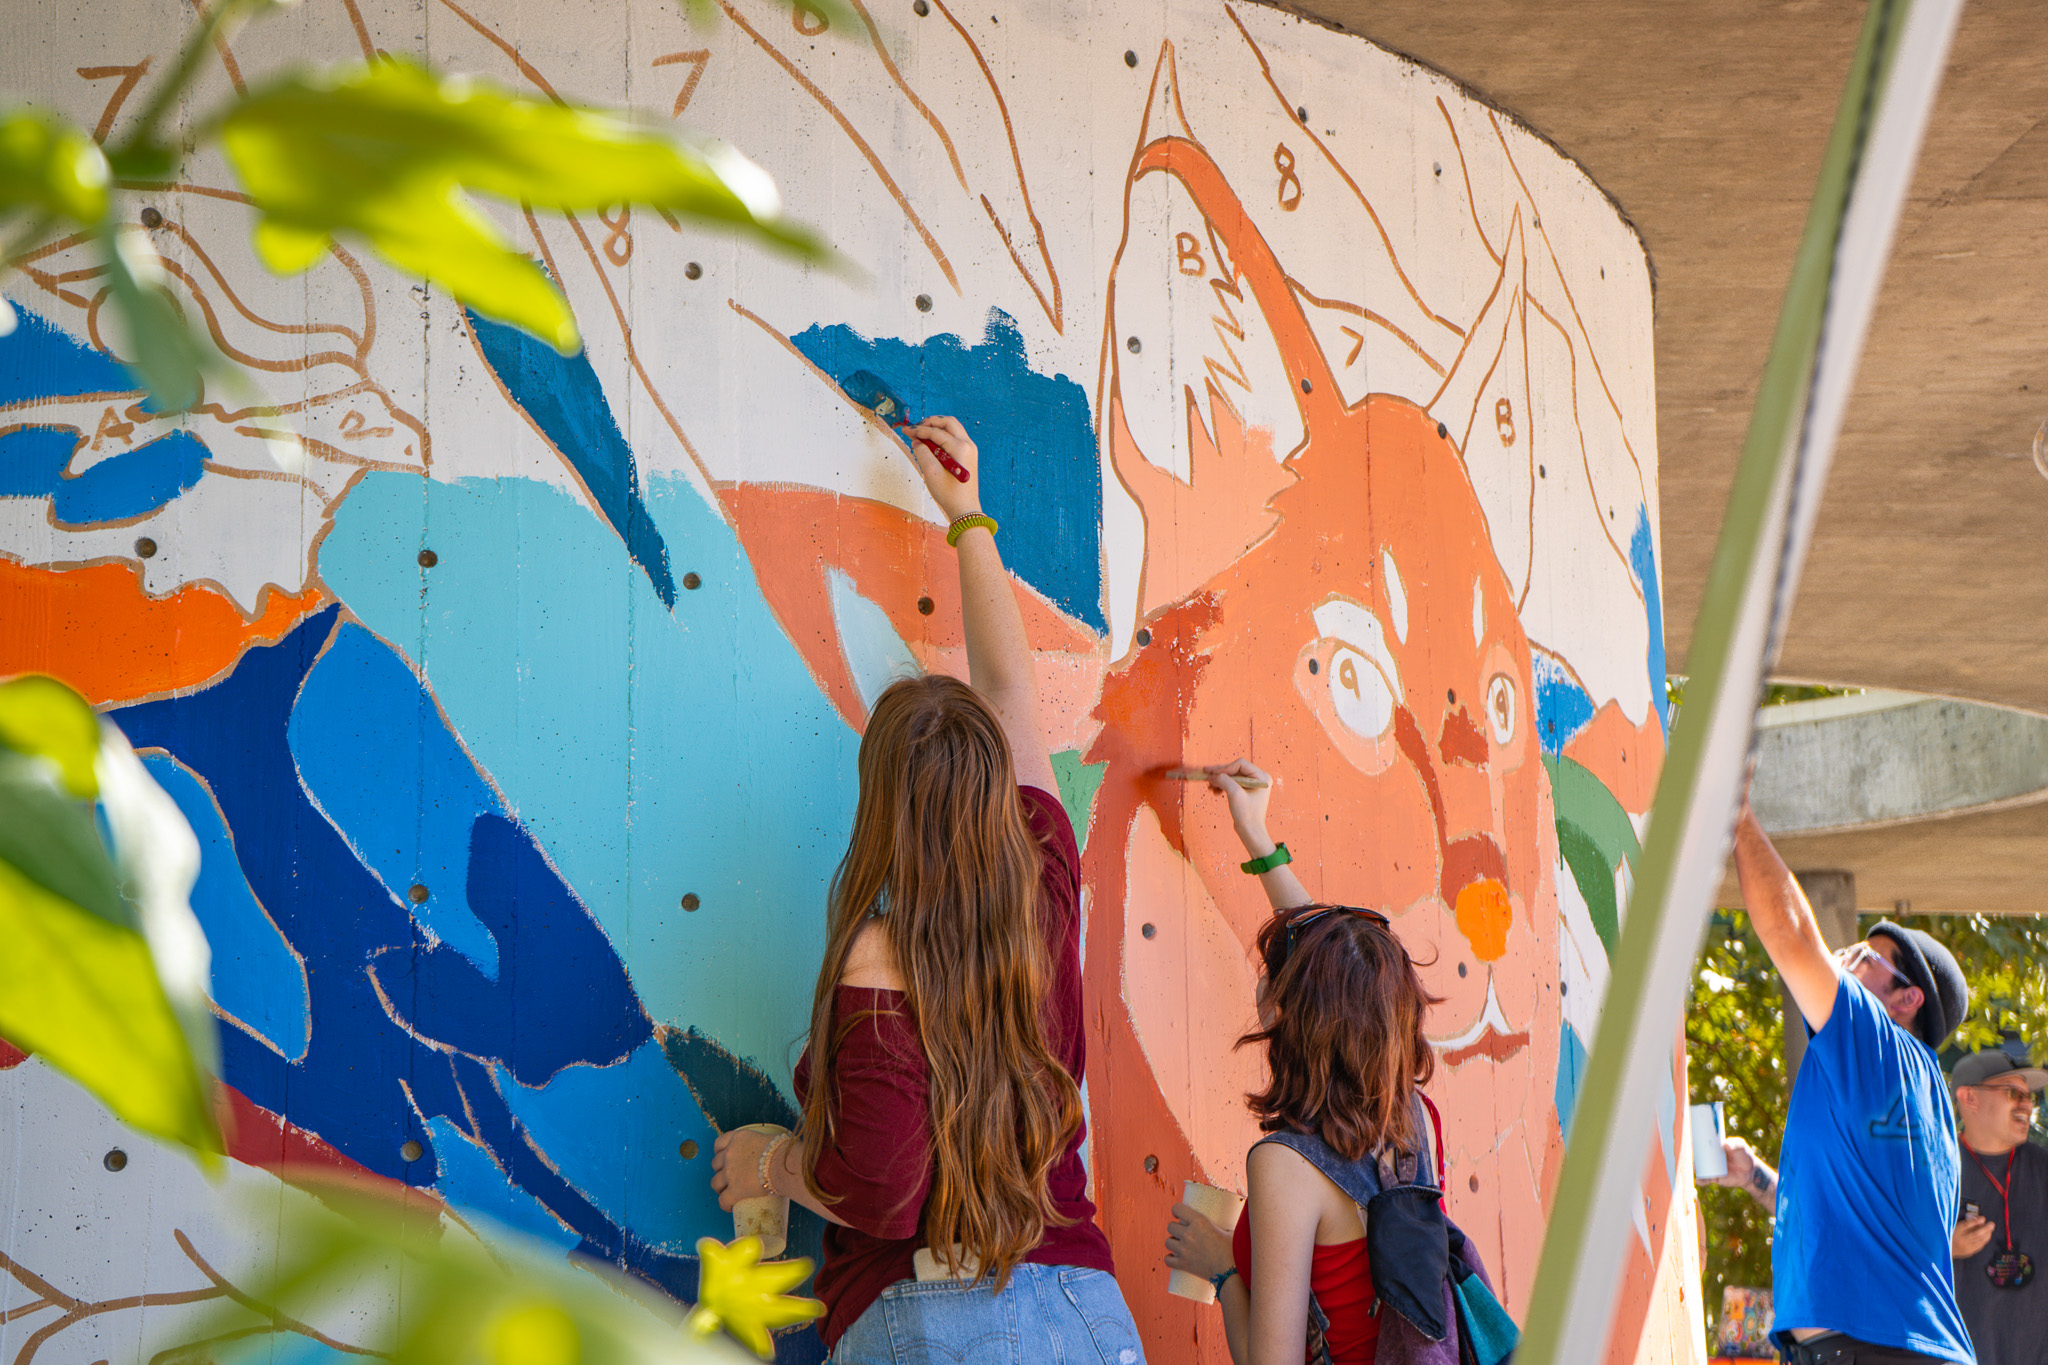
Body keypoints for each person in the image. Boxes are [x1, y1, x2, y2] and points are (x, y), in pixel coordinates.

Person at [709, 416, 1141, 1362]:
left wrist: (769, 1163)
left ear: (887, 817)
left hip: (936, 1325)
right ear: (994, 788)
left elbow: (880, 1192)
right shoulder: (1045, 872)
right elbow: (1012, 693)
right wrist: (968, 516)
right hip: (1086, 1315)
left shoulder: (881, 958)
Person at [1159, 758, 1458, 1365]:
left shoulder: (1285, 1167)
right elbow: (1340, 966)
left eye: (1275, 972)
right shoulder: (1413, 1121)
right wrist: (1257, 837)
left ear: (1294, 1015)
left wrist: (1223, 1274)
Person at [1730, 804, 1973, 1365]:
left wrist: (1737, 814)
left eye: (1865, 956)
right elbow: (1844, 1220)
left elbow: (1790, 934)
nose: (1844, 958)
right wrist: (1757, 1178)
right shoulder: (1916, 1093)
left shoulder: (1874, 1039)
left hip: (1874, 1350)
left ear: (1906, 998)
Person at [1950, 1048, 2048, 1365]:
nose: (2026, 1104)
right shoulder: (1932, 1171)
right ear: (1969, 1098)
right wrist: (1943, 1247)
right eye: (2012, 1093)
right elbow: (1890, 1254)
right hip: (1961, 1356)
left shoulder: (2043, 1166)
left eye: (2028, 1096)